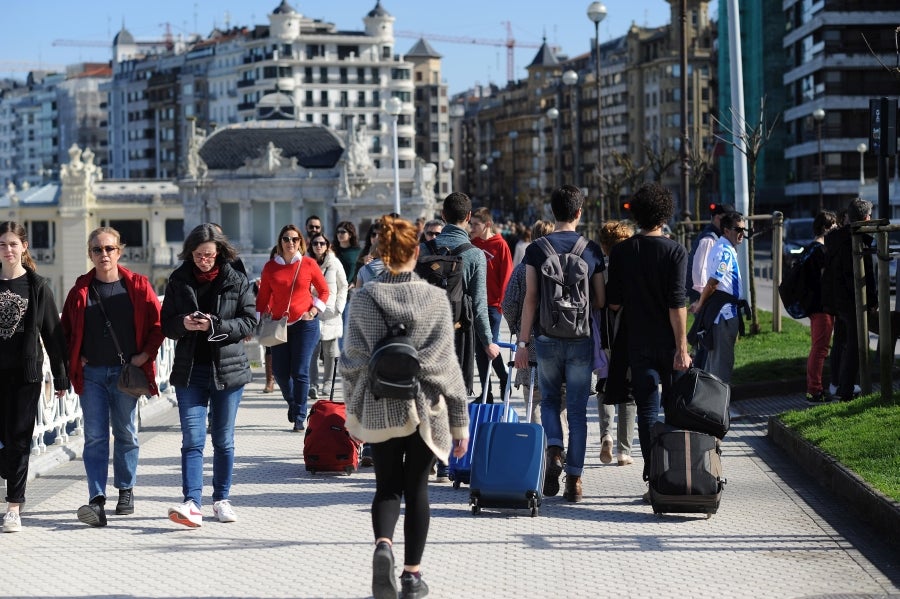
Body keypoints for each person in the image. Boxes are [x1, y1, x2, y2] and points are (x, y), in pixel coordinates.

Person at [340, 215, 469, 599]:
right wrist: (460, 425)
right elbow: (447, 367)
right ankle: (412, 576)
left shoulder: (364, 299)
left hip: (380, 407)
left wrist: (352, 412)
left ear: (380, 252)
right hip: (425, 409)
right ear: (417, 251)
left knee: (385, 488)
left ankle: (383, 546)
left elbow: (351, 363)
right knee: (417, 491)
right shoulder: (435, 299)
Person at [62, 226, 165, 528]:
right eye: (97, 249)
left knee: (125, 432)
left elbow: (158, 326)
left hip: (124, 374)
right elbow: (65, 331)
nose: (103, 254)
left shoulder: (137, 285)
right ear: (90, 254)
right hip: (92, 372)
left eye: (109, 249)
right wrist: (74, 352)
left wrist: (145, 355)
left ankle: (126, 488)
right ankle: (96, 499)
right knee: (94, 436)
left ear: (119, 251)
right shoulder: (80, 290)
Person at [513, 185, 605, 503]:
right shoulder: (591, 249)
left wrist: (523, 343)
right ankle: (575, 481)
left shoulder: (537, 249)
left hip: (547, 338)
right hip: (580, 340)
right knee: (578, 412)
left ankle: (554, 449)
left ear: (553, 213)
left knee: (549, 402)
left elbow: (531, 299)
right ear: (579, 212)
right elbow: (601, 301)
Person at [160, 224, 257, 527]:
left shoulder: (236, 279)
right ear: (190, 253)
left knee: (223, 439)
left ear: (219, 253)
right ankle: (192, 503)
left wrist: (215, 326)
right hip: (190, 372)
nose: (204, 260)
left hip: (228, 370)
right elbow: (166, 325)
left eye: (209, 255)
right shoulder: (178, 280)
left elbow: (250, 322)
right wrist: (184, 324)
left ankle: (221, 499)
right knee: (192, 439)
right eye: (199, 255)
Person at [606, 184, 691, 495]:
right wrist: (682, 348)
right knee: (674, 408)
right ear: (665, 214)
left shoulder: (622, 252)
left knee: (646, 410)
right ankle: (674, 476)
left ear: (637, 215)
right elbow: (677, 304)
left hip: (637, 342)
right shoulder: (676, 251)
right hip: (670, 344)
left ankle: (653, 477)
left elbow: (613, 303)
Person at [423, 192, 500, 482]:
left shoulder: (424, 249)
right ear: (468, 218)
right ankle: (445, 463)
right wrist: (489, 341)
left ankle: (426, 458)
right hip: (460, 334)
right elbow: (480, 305)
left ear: (443, 216)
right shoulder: (475, 254)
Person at [0, 221, 69, 533]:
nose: (8, 249)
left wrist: (62, 377)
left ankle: (14, 507)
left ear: (24, 247)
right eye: (3, 244)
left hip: (26, 376)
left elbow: (54, 336)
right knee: (9, 445)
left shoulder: (38, 286)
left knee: (19, 439)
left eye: (13, 244)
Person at [256, 225, 329, 432]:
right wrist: (255, 320)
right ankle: (292, 402)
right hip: (280, 325)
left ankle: (300, 416)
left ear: (300, 242)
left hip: (305, 324)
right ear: (280, 242)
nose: (291, 243)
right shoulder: (271, 267)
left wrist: (314, 311)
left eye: (295, 239)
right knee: (279, 372)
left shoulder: (308, 264)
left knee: (300, 371)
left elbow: (324, 291)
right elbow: (262, 297)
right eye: (286, 239)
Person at [502, 220, 567, 430]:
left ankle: (540, 445)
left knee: (535, 396)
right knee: (561, 398)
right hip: (563, 339)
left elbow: (509, 304)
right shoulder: (567, 265)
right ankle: (559, 445)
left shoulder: (522, 269)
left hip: (530, 342)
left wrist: (517, 328)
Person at [822, 198, 876, 402]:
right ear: (865, 218)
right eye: (869, 216)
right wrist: (870, 300)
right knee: (854, 344)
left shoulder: (835, 238)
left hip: (836, 300)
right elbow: (865, 275)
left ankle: (836, 384)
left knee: (840, 342)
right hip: (851, 300)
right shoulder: (856, 239)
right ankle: (846, 390)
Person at [596, 220, 638, 467]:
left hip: (605, 336)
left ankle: (606, 435)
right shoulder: (632, 267)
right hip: (629, 335)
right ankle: (624, 450)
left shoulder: (601, 268)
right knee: (629, 392)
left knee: (604, 385)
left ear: (604, 245)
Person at [689, 211, 748, 383]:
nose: (742, 234)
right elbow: (713, 282)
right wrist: (700, 304)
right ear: (726, 230)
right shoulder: (725, 252)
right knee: (721, 366)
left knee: (715, 364)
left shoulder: (725, 248)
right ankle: (718, 408)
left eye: (744, 230)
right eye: (738, 229)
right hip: (725, 315)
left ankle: (710, 406)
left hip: (723, 313)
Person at [469, 207, 513, 403]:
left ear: (487, 224)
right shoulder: (472, 244)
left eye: (476, 224)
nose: (472, 228)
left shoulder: (500, 245)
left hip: (493, 305)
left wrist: (502, 304)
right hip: (476, 304)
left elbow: (507, 277)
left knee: (490, 346)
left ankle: (503, 378)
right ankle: (486, 392)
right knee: (480, 349)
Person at [686, 202, 733, 368]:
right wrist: (701, 301)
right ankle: (699, 381)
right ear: (717, 218)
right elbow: (700, 272)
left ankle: (699, 379)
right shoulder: (709, 239)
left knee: (705, 340)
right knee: (705, 340)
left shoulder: (715, 237)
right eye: (726, 220)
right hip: (704, 296)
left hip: (706, 296)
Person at [801, 211, 839, 403]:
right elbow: (825, 280)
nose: (837, 228)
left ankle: (814, 388)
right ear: (826, 228)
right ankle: (814, 390)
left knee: (818, 347)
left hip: (814, 305)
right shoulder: (821, 251)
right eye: (834, 226)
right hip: (821, 306)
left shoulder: (810, 248)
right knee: (820, 348)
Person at [307, 233, 348, 398]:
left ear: (327, 245)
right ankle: (313, 384)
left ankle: (327, 383)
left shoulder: (334, 262)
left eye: (322, 243)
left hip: (331, 312)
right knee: (313, 351)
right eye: (315, 243)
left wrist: (339, 307)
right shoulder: (307, 262)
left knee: (330, 351)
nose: (318, 246)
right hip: (312, 311)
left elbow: (343, 285)